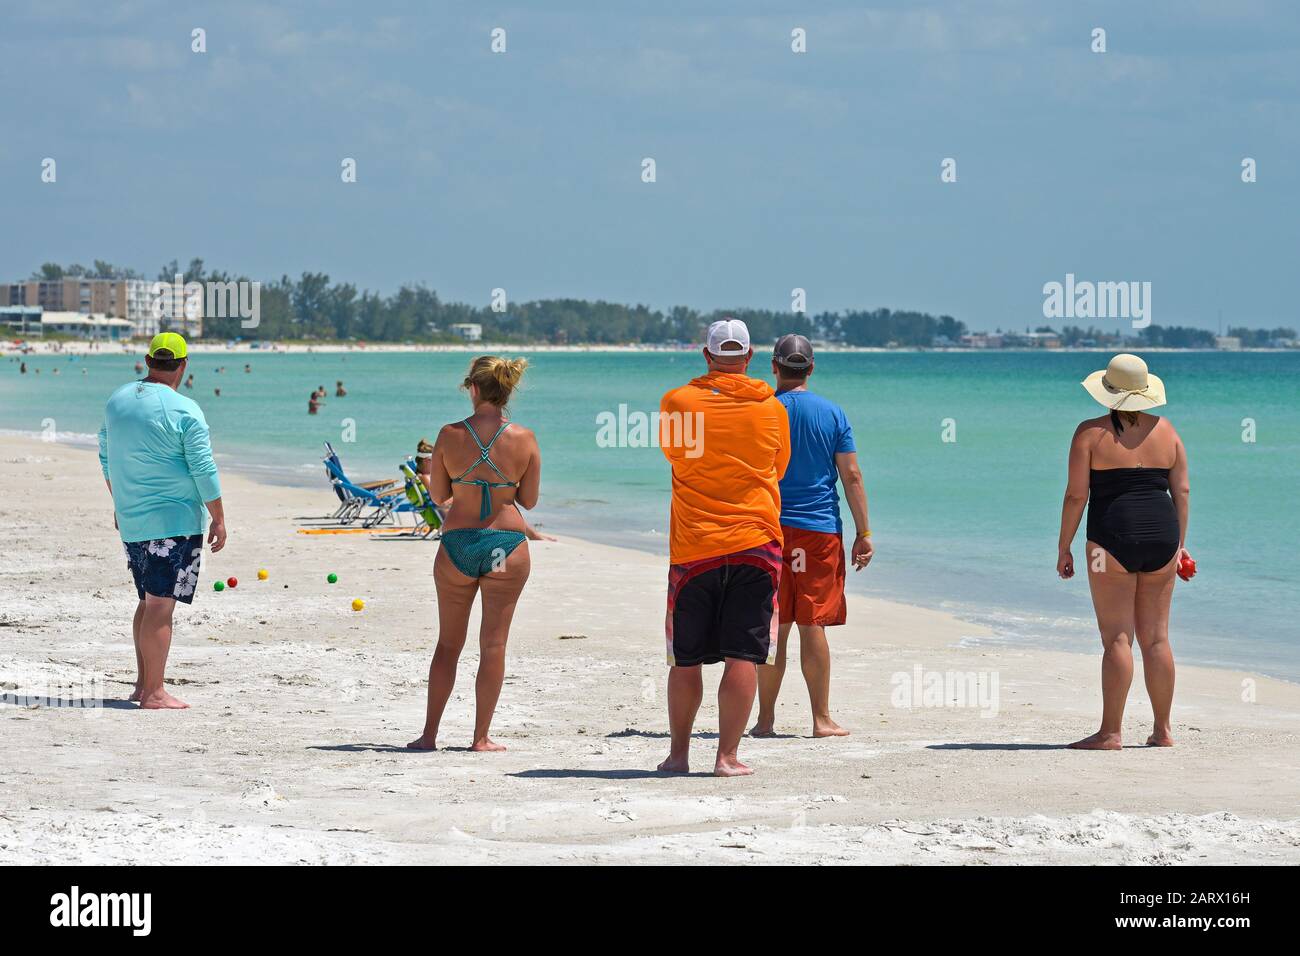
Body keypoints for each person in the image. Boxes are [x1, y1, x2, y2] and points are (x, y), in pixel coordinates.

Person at [658, 318, 790, 777]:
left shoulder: (677, 401)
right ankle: (727, 757)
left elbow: (674, 456)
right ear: (750, 357)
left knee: (686, 658)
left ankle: (678, 756)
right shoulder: (772, 408)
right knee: (743, 654)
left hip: (695, 545)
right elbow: (779, 467)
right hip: (757, 542)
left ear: (707, 355)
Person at [1057, 354, 1191, 750]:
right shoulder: (1168, 432)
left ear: (1109, 392)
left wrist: (1064, 545)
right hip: (1164, 539)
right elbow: (1181, 491)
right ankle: (1162, 731)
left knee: (1117, 638)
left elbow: (1076, 495)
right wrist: (1180, 545)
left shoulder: (1090, 433)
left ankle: (1111, 732)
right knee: (1157, 639)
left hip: (1109, 542)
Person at [408, 356, 540, 752]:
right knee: (493, 645)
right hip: (505, 546)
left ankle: (429, 735)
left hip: (459, 545)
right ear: (507, 390)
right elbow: (529, 501)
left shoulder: (449, 435)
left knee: (449, 644)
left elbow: (439, 496)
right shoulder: (525, 438)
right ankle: (480, 737)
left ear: (474, 388)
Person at [750, 334, 873, 739]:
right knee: (812, 622)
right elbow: (851, 475)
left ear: (774, 366)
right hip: (819, 531)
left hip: (768, 528)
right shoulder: (833, 413)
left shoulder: (761, 410)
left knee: (774, 623)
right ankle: (821, 719)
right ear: (812, 367)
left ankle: (765, 721)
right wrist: (864, 531)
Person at [97, 333, 226, 710]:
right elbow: (203, 469)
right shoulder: (185, 410)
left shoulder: (117, 401)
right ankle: (153, 692)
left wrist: (120, 502)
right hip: (173, 521)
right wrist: (218, 517)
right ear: (183, 366)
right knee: (159, 606)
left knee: (147, 600)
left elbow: (107, 458)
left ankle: (142, 685)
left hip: (133, 519)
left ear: (147, 360)